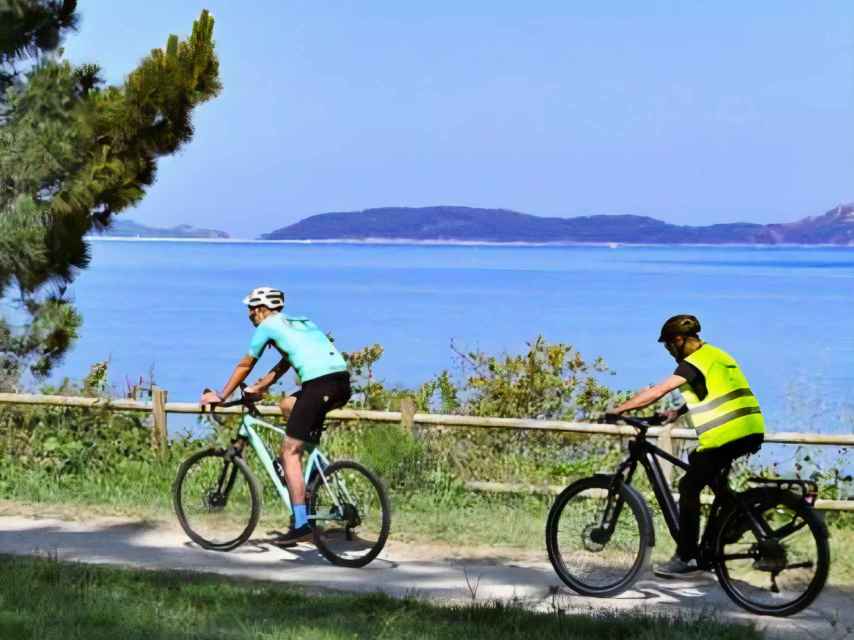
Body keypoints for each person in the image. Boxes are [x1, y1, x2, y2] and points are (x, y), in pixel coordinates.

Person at [611, 314, 764, 577]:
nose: (669, 352)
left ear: (679, 340)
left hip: (727, 434)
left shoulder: (692, 363)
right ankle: (732, 520)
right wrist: (677, 412)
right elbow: (712, 389)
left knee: (688, 486)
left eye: (669, 346)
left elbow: (657, 391)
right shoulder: (716, 355)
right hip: (750, 429)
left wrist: (619, 410)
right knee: (698, 463)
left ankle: (687, 557)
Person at [201, 286, 351, 543]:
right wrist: (261, 386)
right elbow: (286, 362)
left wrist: (222, 395)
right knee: (287, 406)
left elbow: (245, 364)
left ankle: (302, 525)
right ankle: (312, 478)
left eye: (251, 309)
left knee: (289, 452)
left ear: (262, 309)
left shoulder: (267, 326)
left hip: (318, 385)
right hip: (341, 383)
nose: (249, 315)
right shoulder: (300, 322)